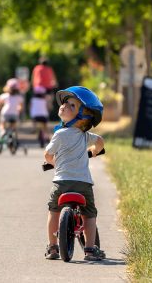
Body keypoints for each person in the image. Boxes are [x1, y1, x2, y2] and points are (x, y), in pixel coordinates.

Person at [44, 86, 106, 261]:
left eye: (72, 105)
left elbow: (48, 155)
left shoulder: (59, 134)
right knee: (89, 214)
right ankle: (90, 249)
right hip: (83, 183)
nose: (64, 106)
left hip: (61, 183)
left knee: (53, 211)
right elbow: (100, 142)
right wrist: (93, 152)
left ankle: (53, 247)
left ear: (81, 116)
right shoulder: (84, 136)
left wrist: (55, 163)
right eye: (65, 103)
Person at [0, 78, 24, 150]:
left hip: (5, 113)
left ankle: (3, 132)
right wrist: (19, 109)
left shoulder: (4, 95)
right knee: (14, 127)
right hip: (14, 114)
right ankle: (14, 137)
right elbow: (21, 107)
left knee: (2, 124)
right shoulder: (19, 97)